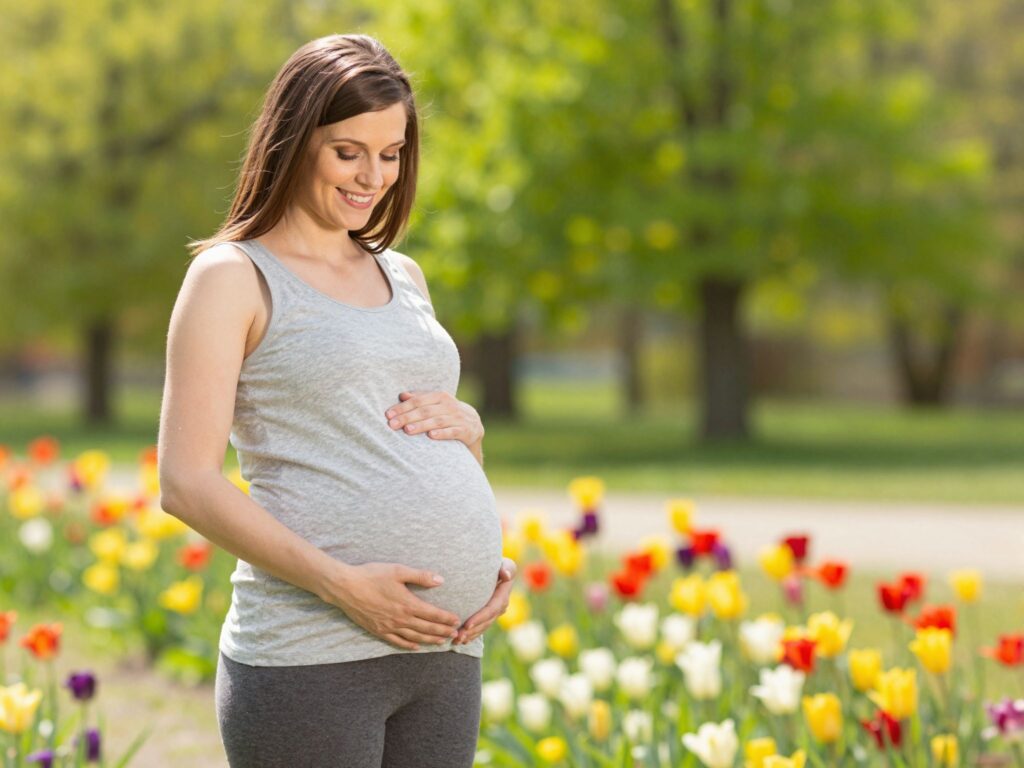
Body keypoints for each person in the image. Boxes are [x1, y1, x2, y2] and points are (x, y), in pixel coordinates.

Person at [157, 33, 516, 768]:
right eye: (348, 152)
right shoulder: (232, 276)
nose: (373, 177)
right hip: (311, 655)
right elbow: (185, 483)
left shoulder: (405, 276)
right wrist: (344, 586)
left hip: (445, 650)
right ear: (294, 141)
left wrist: (472, 453)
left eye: (392, 154)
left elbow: (395, 436)